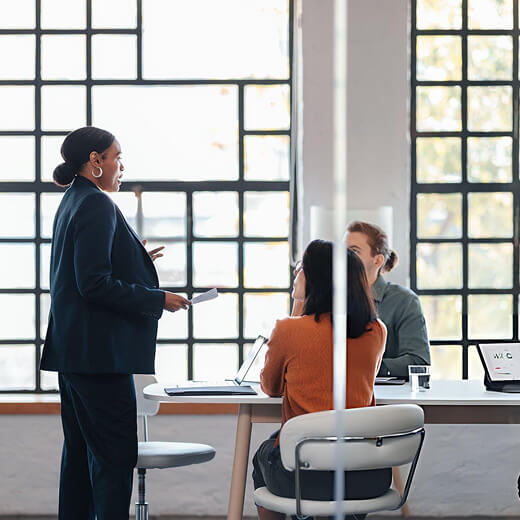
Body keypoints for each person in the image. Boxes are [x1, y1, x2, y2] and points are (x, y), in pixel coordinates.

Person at [40, 126, 191, 520]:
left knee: (79, 460)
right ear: (95, 161)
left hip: (75, 355)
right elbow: (93, 284)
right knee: (112, 462)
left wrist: (136, 260)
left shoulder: (74, 200)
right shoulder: (96, 205)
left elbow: (83, 273)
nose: (121, 166)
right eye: (116, 157)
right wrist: (158, 299)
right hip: (100, 359)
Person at [252, 241, 391, 520]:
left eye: (301, 267)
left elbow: (271, 387)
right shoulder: (376, 330)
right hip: (366, 476)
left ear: (319, 279)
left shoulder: (289, 329)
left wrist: (297, 307)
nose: (295, 273)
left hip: (305, 477)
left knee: (263, 455)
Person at [346, 220, 430, 378]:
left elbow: (419, 363)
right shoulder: (331, 299)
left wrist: (365, 366)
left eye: (354, 251)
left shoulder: (404, 301)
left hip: (386, 399)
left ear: (377, 260)